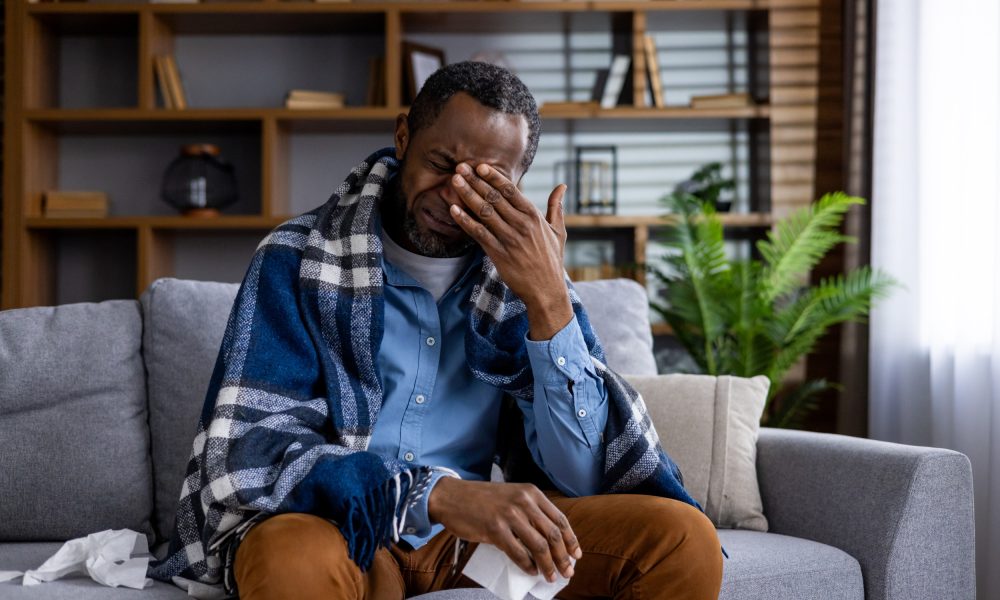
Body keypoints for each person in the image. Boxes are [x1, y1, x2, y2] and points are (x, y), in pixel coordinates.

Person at [150, 61, 723, 600]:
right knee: (287, 558)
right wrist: (432, 494)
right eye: (442, 164)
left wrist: (549, 304)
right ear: (403, 138)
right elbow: (251, 448)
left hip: (482, 544)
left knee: (681, 541)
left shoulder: (529, 283)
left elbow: (583, 474)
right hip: (346, 530)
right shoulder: (297, 258)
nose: (454, 196)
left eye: (488, 179)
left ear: (521, 181)